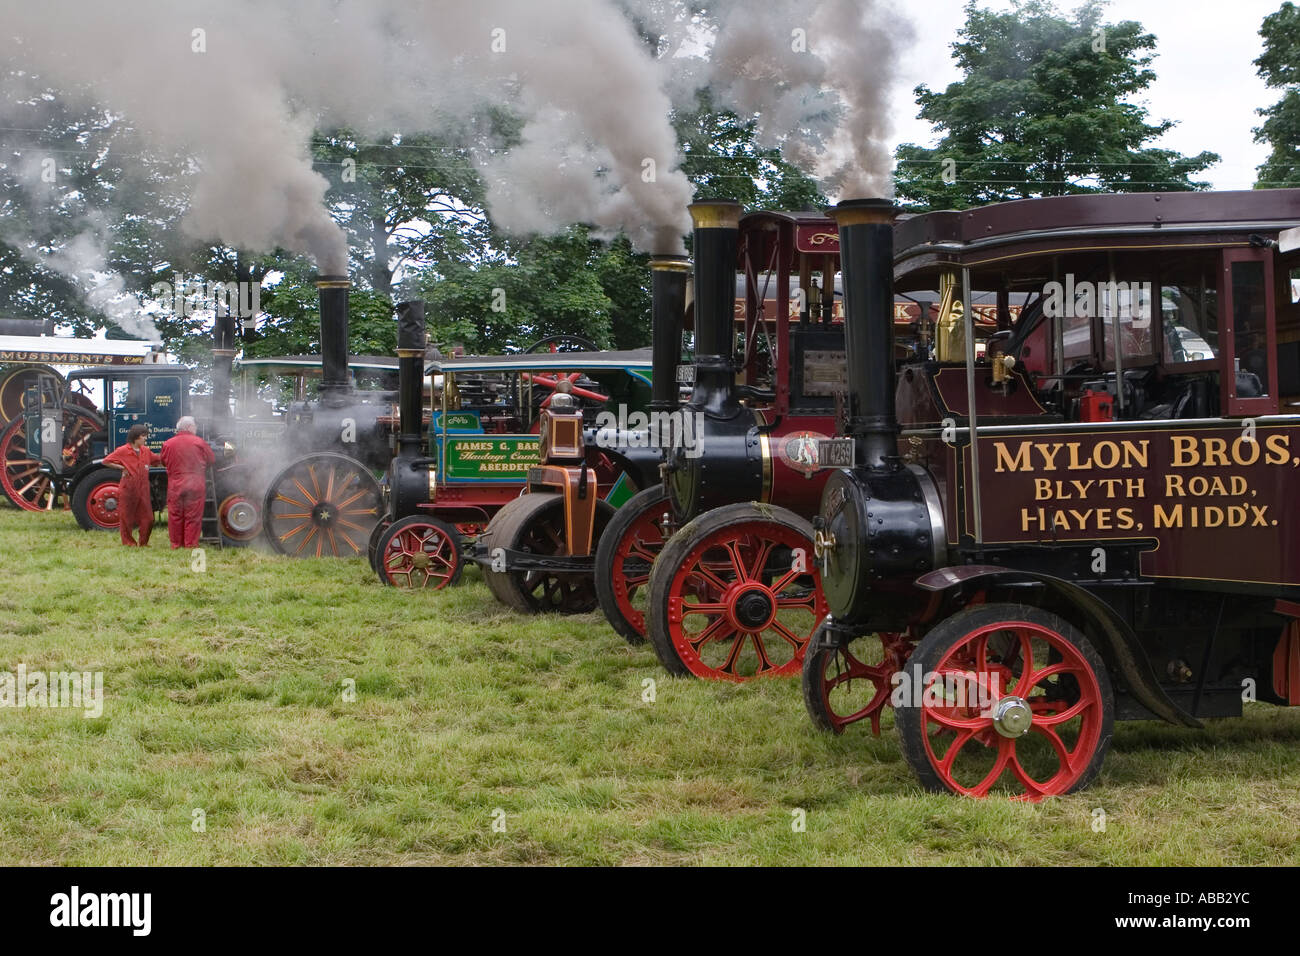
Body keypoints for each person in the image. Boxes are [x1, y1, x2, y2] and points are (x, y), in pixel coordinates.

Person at [101, 424, 161, 546]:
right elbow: (106, 461)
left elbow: (158, 460)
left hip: (143, 488)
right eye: (143, 436)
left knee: (148, 518)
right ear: (136, 437)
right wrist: (121, 467)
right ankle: (128, 542)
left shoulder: (146, 451)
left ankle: (143, 542)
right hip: (128, 488)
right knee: (126, 517)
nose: (145, 439)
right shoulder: (123, 450)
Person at [160, 416, 215, 549]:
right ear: (189, 427)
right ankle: (190, 544)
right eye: (194, 426)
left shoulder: (168, 443)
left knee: (175, 515)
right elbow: (211, 460)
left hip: (175, 484)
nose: (196, 428)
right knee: (193, 516)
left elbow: (163, 461)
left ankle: (176, 544)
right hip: (195, 483)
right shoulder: (199, 442)